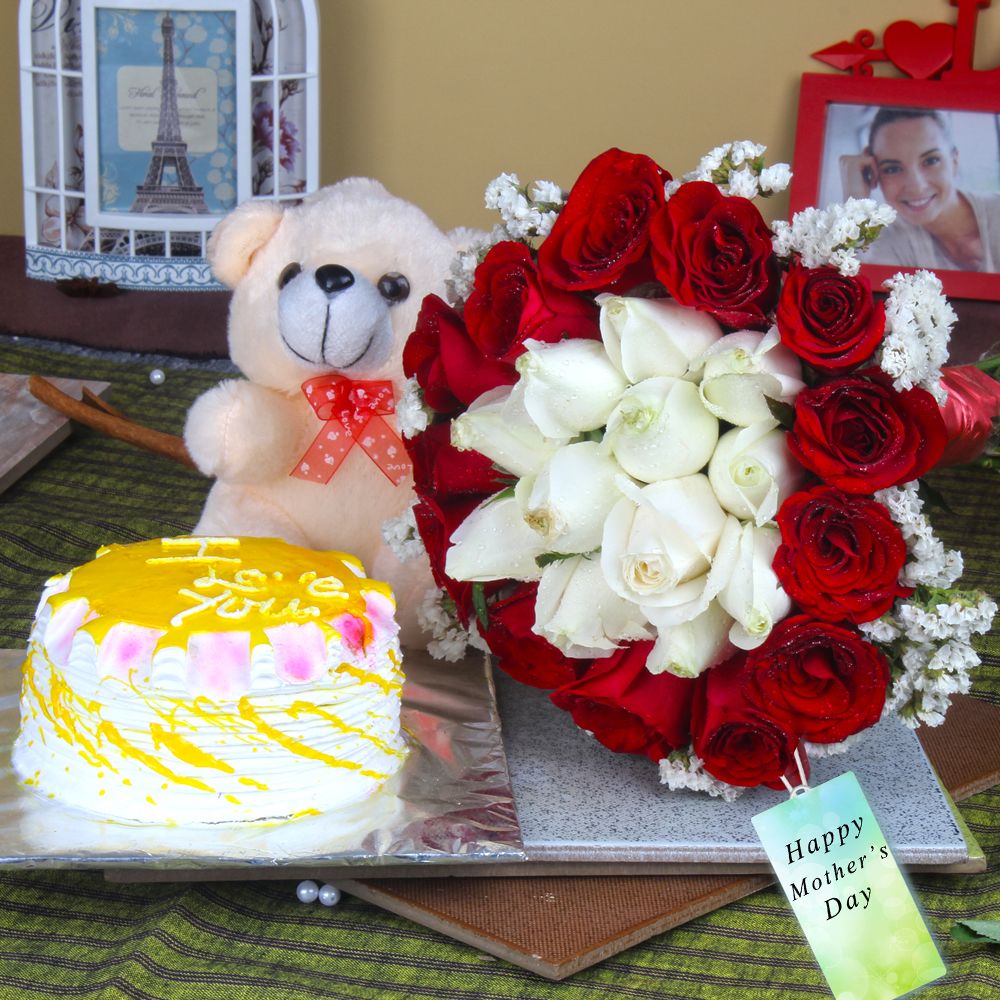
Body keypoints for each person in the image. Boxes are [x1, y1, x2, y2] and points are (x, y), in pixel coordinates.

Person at [839, 106, 1000, 271]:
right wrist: (855, 198)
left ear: (954, 160)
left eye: (931, 161)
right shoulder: (889, 242)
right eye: (892, 169)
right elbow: (857, 278)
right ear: (874, 173)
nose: (916, 186)